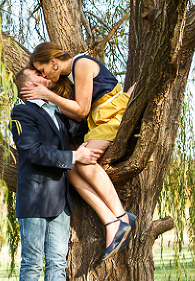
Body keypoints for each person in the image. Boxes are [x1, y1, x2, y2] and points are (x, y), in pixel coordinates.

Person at [20, 41, 136, 261]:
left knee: (83, 162)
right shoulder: (71, 76)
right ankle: (111, 220)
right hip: (100, 120)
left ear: (53, 62)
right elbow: (78, 114)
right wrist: (46, 97)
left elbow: (82, 110)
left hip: (112, 117)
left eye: (43, 69)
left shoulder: (81, 64)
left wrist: (47, 93)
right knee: (70, 167)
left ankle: (122, 217)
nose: (44, 75)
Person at [11, 67, 104, 281]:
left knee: (56, 265)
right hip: (35, 200)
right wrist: (75, 158)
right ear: (28, 86)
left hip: (60, 201)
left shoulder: (56, 110)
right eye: (39, 76)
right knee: (31, 265)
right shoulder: (22, 112)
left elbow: (82, 122)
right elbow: (33, 152)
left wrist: (115, 100)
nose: (46, 77)